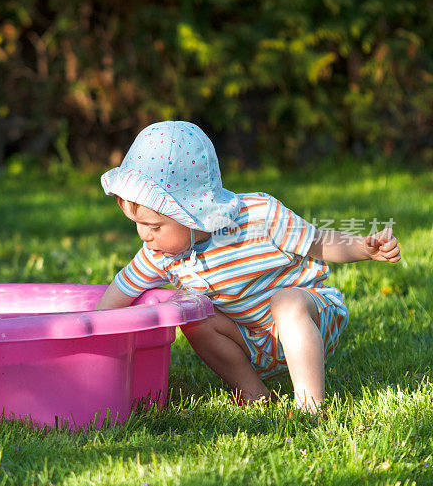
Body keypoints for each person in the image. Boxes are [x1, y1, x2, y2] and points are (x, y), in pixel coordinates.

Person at [95, 121, 401, 413]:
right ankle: (254, 394)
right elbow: (122, 290)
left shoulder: (259, 216)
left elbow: (318, 243)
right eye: (138, 225)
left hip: (309, 318)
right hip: (249, 338)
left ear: (190, 211)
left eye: (154, 226)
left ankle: (310, 406)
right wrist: (89, 329)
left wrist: (363, 247)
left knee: (286, 300)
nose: (144, 235)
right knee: (194, 314)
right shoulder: (159, 252)